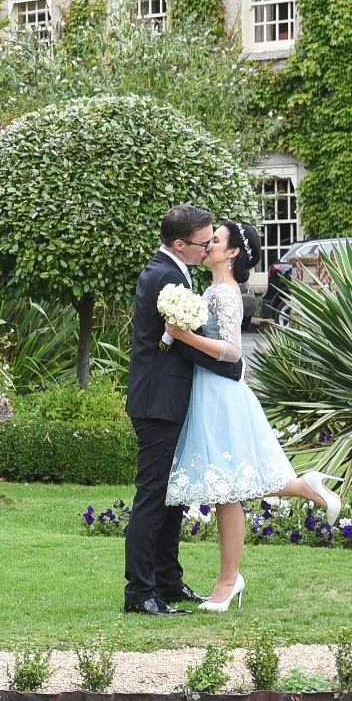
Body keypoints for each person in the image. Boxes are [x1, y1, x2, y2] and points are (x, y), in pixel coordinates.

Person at [162, 221, 343, 610]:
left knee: (229, 487)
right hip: (207, 390)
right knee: (229, 487)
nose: (208, 243)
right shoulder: (211, 289)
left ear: (231, 254)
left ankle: (228, 581)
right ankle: (301, 490)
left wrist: (187, 337)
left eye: (217, 240)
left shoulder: (226, 294)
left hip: (220, 395)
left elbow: (233, 351)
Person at [124, 206, 245, 614]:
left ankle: (168, 583)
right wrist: (230, 365)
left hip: (167, 399)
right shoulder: (166, 276)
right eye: (203, 241)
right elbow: (179, 340)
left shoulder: (172, 271)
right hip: (158, 402)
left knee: (173, 499)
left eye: (214, 238)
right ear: (180, 244)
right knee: (154, 498)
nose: (209, 245)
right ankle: (140, 593)